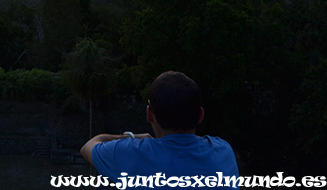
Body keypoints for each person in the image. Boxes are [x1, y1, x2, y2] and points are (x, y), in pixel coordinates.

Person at [80, 71, 239, 186]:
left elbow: (89, 146)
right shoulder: (224, 152)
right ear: (200, 115)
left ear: (149, 114)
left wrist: (132, 137)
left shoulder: (132, 153)